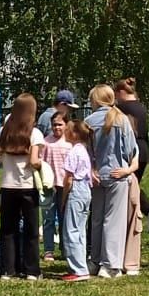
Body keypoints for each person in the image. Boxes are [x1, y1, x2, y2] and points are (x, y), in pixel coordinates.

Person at [84, 85, 138, 278]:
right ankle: (110, 265)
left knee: (96, 219)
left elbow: (85, 150)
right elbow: (131, 150)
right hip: (118, 174)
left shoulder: (88, 121)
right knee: (113, 220)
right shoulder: (121, 119)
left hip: (97, 175)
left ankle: (94, 261)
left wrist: (92, 169)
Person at [0, 93, 45, 280]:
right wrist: (42, 165)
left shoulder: (4, 132)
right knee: (31, 231)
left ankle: (7, 270)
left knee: (7, 229)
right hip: (27, 187)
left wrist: (7, 160)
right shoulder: (35, 133)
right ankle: (31, 271)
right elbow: (34, 161)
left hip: (7, 186)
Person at [115, 78, 149, 233]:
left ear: (121, 92)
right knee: (133, 184)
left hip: (130, 149)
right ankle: (143, 213)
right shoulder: (141, 107)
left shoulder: (121, 108)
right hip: (143, 148)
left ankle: (147, 211)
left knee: (128, 185)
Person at [60, 119, 94, 282]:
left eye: (67, 130)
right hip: (86, 190)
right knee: (80, 230)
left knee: (71, 230)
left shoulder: (74, 152)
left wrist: (64, 197)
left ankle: (78, 269)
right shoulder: (84, 150)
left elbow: (68, 178)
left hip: (77, 189)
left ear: (74, 134)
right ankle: (81, 266)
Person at [40, 112, 72, 263]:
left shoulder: (70, 143)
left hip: (65, 186)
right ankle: (48, 249)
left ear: (66, 125)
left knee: (66, 218)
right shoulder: (46, 142)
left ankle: (66, 249)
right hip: (50, 186)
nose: (57, 127)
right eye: (54, 124)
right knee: (48, 219)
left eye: (60, 124)